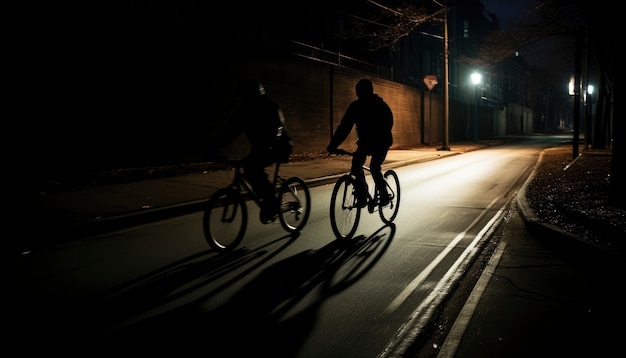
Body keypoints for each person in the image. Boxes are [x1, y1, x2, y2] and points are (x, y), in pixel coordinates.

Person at [207, 79, 294, 223]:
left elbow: (277, 129)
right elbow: (229, 131)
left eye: (246, 97)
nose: (244, 100)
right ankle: (266, 197)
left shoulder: (271, 107)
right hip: (261, 148)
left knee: (253, 168)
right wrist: (213, 149)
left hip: (280, 146)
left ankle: (271, 202)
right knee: (251, 169)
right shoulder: (244, 111)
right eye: (243, 97)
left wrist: (268, 146)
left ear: (255, 95)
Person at [327, 78, 394, 207]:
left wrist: (380, 142)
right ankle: (362, 195)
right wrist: (333, 145)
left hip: (381, 142)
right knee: (356, 166)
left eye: (362, 92)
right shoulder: (355, 107)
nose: (360, 95)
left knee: (374, 168)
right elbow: (344, 127)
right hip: (365, 143)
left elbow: (388, 125)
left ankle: (384, 195)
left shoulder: (380, 106)